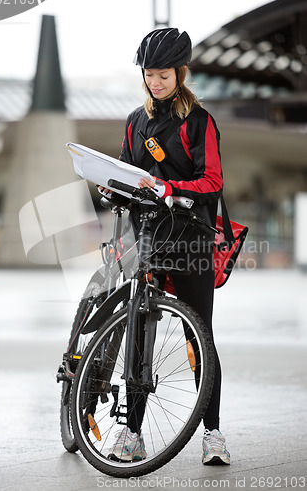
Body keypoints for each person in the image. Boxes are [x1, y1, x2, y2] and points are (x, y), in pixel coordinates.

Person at [99, 28, 230, 466]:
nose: (156, 83)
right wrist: (110, 186)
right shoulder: (136, 121)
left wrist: (170, 187)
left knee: (200, 338)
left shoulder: (198, 121)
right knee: (140, 334)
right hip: (147, 238)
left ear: (180, 74)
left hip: (190, 238)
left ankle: (211, 432)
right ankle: (132, 431)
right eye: (150, 75)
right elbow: (126, 171)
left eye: (164, 76)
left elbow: (212, 181)